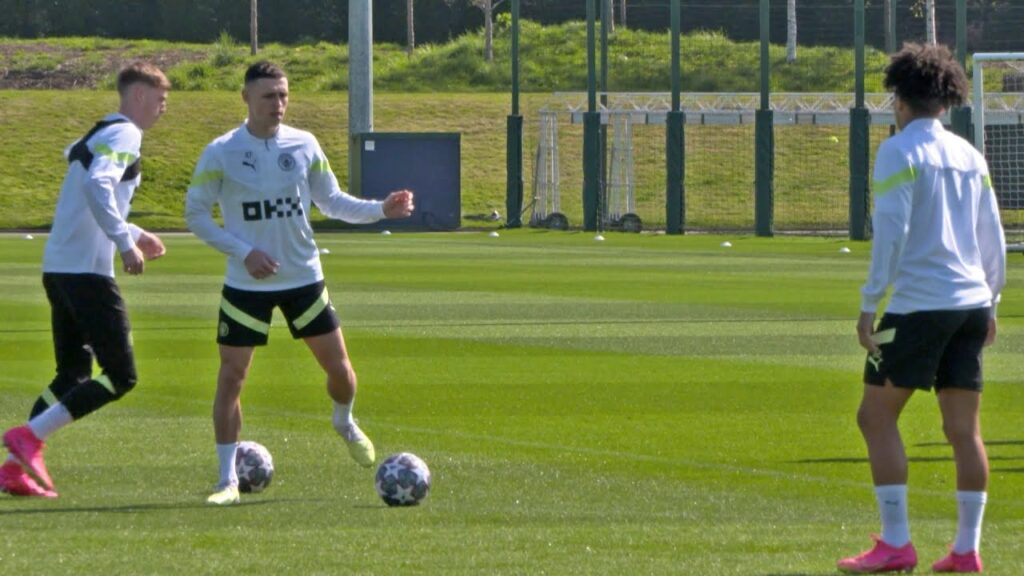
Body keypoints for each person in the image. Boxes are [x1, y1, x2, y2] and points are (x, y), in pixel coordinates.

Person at [185, 61, 414, 506]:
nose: (279, 104)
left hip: (303, 278)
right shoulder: (221, 152)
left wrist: (380, 210)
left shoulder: (304, 144)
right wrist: (243, 252)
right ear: (246, 98)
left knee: (341, 373)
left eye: (284, 95)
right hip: (245, 285)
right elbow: (195, 214)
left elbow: (332, 202)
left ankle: (344, 420)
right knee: (231, 377)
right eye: (269, 96)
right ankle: (225, 481)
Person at [837, 43, 1006, 574]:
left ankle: (896, 544)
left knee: (875, 415)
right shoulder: (969, 155)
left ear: (899, 99)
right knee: (964, 430)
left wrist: (870, 304)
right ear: (947, 100)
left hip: (919, 306)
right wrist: (993, 301)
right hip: (972, 303)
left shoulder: (899, 150)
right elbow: (992, 238)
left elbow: (890, 231)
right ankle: (966, 550)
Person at [0, 62, 170, 499]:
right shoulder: (126, 133)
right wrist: (125, 244)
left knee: (72, 374)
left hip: (59, 268)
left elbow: (87, 197)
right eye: (159, 98)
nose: (163, 107)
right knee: (121, 375)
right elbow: (99, 185)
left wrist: (135, 233)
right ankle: (28, 438)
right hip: (86, 274)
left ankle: (14, 469)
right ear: (137, 97)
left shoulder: (98, 132)